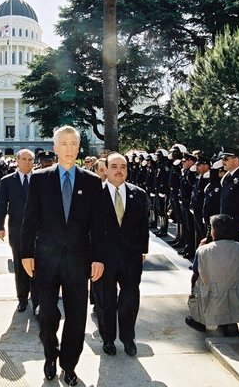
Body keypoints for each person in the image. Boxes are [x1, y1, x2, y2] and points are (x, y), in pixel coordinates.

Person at [21, 126, 104, 386]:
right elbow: (29, 220)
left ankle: (69, 365)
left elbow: (98, 224)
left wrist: (98, 258)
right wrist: (25, 254)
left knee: (77, 318)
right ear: (55, 148)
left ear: (79, 148)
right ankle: (50, 355)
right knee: (47, 315)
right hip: (45, 260)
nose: (69, 149)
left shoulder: (91, 182)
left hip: (78, 262)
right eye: (63, 144)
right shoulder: (40, 179)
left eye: (73, 144)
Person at [93, 152, 149, 357]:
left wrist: (143, 251)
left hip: (130, 259)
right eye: (114, 166)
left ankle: (128, 339)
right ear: (105, 169)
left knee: (129, 300)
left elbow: (144, 226)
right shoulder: (95, 194)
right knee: (105, 301)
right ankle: (108, 339)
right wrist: (92, 258)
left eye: (123, 166)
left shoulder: (139, 194)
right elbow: (89, 230)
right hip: (103, 260)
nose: (119, 170)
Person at [185, 214, 239, 337]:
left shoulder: (203, 250)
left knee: (199, 285)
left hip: (213, 298)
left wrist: (192, 294)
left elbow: (195, 275)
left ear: (214, 231)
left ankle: (200, 319)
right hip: (238, 298)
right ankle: (229, 323)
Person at [0, 149, 37, 313]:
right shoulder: (7, 181)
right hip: (17, 229)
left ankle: (37, 299)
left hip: (37, 231)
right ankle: (22, 299)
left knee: (37, 265)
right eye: (24, 159)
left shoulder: (40, 179)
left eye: (30, 159)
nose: (27, 162)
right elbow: (0, 205)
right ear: (17, 161)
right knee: (20, 266)